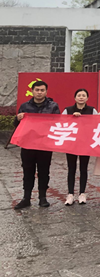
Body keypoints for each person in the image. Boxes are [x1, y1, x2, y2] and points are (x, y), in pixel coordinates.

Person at [13, 80, 60, 210]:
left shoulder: (53, 106)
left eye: (42, 90)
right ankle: (26, 198)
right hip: (28, 145)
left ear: (46, 91)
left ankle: (42, 198)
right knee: (28, 171)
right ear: (32, 91)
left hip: (45, 145)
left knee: (44, 171)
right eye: (37, 90)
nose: (39, 92)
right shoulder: (25, 106)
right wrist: (18, 118)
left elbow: (58, 124)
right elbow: (17, 126)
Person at [62, 88, 98, 205]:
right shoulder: (68, 110)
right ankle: (70, 194)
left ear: (87, 98)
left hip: (85, 143)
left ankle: (82, 193)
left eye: (83, 95)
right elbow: (61, 124)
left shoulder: (92, 110)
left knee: (83, 168)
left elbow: (98, 124)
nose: (81, 97)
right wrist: (71, 118)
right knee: (71, 168)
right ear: (75, 97)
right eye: (79, 95)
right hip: (71, 143)